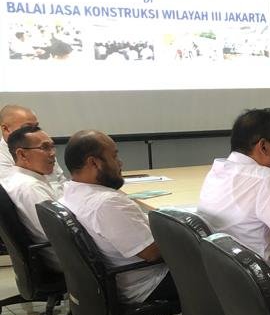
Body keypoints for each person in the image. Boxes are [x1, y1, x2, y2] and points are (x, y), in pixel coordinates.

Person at [59, 131, 176, 304]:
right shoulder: (107, 203)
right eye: (114, 156)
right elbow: (152, 253)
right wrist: (186, 235)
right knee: (213, 262)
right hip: (148, 282)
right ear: (94, 162)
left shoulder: (69, 194)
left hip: (116, 280)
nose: (120, 163)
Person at [198, 108, 270, 283]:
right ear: (263, 146)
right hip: (259, 287)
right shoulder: (267, 179)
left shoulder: (218, 170)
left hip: (219, 281)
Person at [2, 124, 62, 268]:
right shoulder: (30, 187)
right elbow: (60, 233)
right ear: (22, 154)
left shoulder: (16, 178)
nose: (52, 153)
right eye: (45, 147)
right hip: (66, 260)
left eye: (52, 147)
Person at [0, 104, 67, 189]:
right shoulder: (2, 159)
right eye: (27, 128)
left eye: (36, 127)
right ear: (5, 129)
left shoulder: (43, 147)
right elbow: (16, 191)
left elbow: (61, 180)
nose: (35, 132)